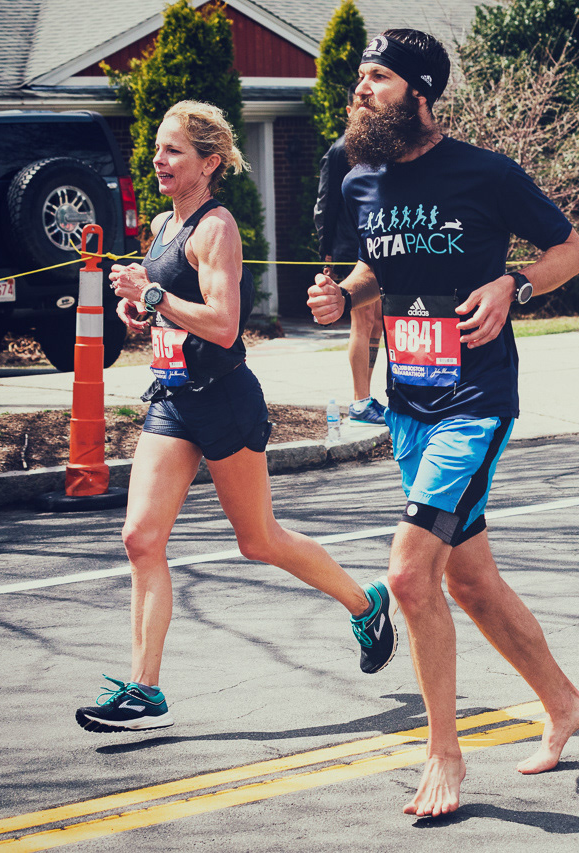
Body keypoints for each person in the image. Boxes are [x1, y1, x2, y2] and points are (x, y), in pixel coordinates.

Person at [308, 29, 579, 817]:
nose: (361, 89)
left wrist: (514, 285)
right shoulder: (361, 180)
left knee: (409, 575)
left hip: (474, 403)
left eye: (378, 77)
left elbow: (570, 249)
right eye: (361, 77)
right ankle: (565, 701)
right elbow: (379, 267)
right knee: (468, 577)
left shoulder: (486, 173)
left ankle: (444, 753)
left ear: (421, 93)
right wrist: (345, 295)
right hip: (410, 401)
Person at [75, 100, 396, 734]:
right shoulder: (165, 225)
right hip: (173, 397)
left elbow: (223, 326)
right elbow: (172, 308)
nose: (159, 160)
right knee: (140, 539)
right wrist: (139, 311)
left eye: (173, 151)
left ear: (209, 162)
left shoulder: (216, 228)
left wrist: (153, 293)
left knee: (259, 540)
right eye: (158, 149)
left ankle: (365, 603)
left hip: (223, 399)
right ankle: (144, 691)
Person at [315, 107, 386, 425]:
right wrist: (327, 255)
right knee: (364, 320)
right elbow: (325, 204)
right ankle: (359, 401)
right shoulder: (340, 149)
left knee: (377, 322)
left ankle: (366, 397)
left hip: (375, 245)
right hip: (348, 248)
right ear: (349, 111)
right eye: (361, 104)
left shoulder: (381, 146)